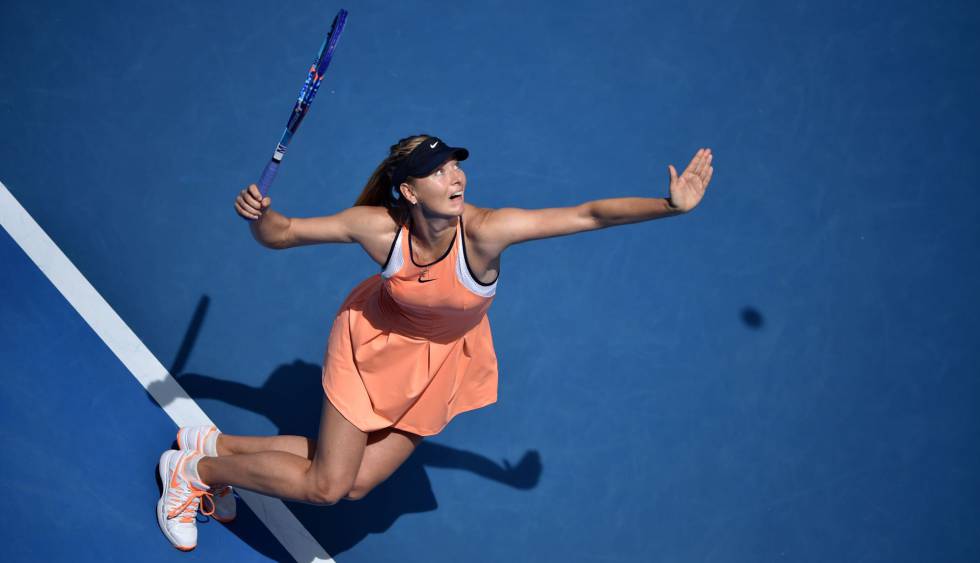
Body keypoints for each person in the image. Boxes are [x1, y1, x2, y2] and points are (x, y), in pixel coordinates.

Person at [156, 134, 713, 550]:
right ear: (408, 190)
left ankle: (217, 447)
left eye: (454, 167)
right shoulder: (378, 229)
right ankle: (195, 474)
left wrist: (668, 206)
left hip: (441, 362)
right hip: (368, 345)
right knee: (328, 487)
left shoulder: (489, 231)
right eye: (437, 172)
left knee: (358, 483)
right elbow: (283, 234)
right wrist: (263, 217)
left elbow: (588, 214)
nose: (454, 178)